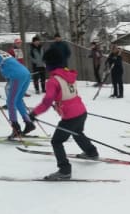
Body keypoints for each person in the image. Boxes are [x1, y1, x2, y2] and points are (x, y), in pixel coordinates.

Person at [28, 47, 99, 180]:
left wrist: (33, 114)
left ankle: (64, 170)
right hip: (81, 111)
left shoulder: (53, 81)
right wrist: (60, 105)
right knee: (77, 132)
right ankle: (91, 152)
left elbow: (46, 102)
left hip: (70, 117)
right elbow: (67, 95)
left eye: (46, 63)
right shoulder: (69, 75)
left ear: (50, 64)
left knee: (57, 141)